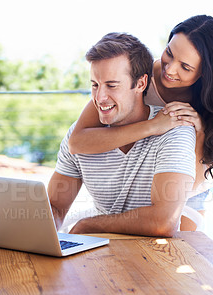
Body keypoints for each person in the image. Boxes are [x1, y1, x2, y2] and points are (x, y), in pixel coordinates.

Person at [68, 15, 213, 231]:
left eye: (185, 67)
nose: (170, 69)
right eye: (169, 53)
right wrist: (152, 126)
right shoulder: (139, 76)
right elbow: (77, 142)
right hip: (141, 182)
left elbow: (190, 186)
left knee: (175, 249)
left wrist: (199, 133)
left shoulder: (210, 108)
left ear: (205, 73)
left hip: (187, 191)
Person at [48, 32, 196, 237]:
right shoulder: (81, 136)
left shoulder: (174, 130)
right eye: (95, 85)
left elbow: (163, 221)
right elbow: (55, 206)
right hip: (96, 251)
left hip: (152, 256)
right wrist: (35, 228)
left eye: (111, 85)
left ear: (141, 84)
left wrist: (90, 225)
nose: (99, 98)